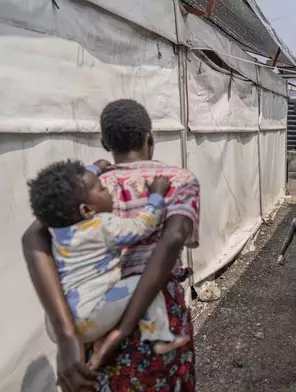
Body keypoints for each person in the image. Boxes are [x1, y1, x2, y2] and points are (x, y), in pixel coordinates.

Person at [21, 99, 200, 391]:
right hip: (155, 318)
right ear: (149, 137)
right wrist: (123, 329)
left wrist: (67, 336)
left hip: (88, 323)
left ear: (105, 142)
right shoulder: (178, 179)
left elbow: (33, 236)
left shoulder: (88, 186)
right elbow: (175, 238)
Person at [27, 159, 190, 363]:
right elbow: (143, 225)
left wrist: (95, 169)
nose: (108, 190)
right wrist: (156, 194)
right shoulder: (102, 226)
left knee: (105, 300)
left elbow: (72, 187)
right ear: (87, 210)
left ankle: (98, 339)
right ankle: (158, 336)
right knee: (146, 283)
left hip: (58, 324)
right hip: (89, 317)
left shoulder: (57, 233)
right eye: (102, 189)